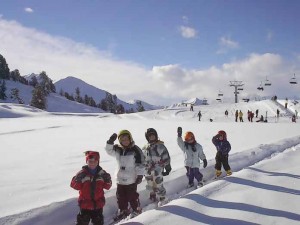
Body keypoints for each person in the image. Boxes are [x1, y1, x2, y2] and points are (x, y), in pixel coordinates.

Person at [105, 130, 145, 220]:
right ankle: (123, 209)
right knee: (120, 197)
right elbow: (109, 151)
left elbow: (141, 163)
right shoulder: (118, 149)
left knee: (132, 196)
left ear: (130, 139)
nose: (125, 141)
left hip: (131, 179)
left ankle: (136, 209)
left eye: (126, 139)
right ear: (120, 141)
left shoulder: (135, 150)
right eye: (122, 140)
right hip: (120, 179)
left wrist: (140, 175)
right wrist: (110, 142)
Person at [70, 151, 112, 225]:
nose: (92, 163)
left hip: (98, 204)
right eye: (90, 161)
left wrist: (108, 179)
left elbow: (108, 186)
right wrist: (76, 179)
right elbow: (74, 186)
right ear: (87, 162)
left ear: (98, 162)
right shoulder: (83, 173)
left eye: (94, 161)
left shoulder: (102, 174)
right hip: (85, 204)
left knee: (98, 222)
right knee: (82, 222)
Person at [142, 128, 171, 206]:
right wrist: (142, 169)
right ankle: (153, 195)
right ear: (147, 137)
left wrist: (167, 167)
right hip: (148, 170)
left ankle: (162, 197)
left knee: (158, 183)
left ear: (156, 136)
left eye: (153, 135)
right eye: (149, 136)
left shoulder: (160, 146)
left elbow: (166, 157)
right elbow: (143, 159)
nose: (151, 137)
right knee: (150, 183)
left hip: (157, 169)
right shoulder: (145, 147)